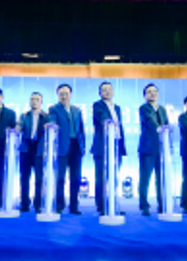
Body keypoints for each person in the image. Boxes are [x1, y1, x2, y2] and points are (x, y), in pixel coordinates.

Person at [46, 84, 86, 215]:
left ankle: (74, 206)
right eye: (61, 94)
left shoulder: (77, 110)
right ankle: (59, 205)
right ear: (58, 95)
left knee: (76, 179)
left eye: (66, 93)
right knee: (60, 178)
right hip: (61, 147)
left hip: (76, 147)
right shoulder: (53, 109)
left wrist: (83, 146)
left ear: (71, 94)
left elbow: (81, 130)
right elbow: (52, 120)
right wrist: (52, 125)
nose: (64, 96)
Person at [92, 82, 127, 216]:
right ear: (100, 93)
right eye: (104, 90)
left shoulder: (117, 107)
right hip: (102, 147)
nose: (107, 92)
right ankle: (101, 206)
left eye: (110, 89)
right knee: (101, 178)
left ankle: (113, 204)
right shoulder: (97, 105)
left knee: (114, 177)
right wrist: (107, 121)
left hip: (116, 145)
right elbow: (102, 116)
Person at [138, 83, 170, 216]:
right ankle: (144, 206)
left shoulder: (162, 109)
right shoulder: (144, 108)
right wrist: (159, 128)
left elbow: (166, 124)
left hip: (162, 148)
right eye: (149, 92)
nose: (153, 93)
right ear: (145, 95)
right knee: (145, 178)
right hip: (148, 147)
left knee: (161, 178)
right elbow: (149, 120)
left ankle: (162, 205)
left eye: (155, 91)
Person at [17, 93, 47, 213]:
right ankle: (24, 204)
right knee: (24, 177)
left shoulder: (46, 116)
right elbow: (19, 126)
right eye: (32, 99)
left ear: (41, 102)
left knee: (39, 178)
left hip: (39, 149)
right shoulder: (24, 116)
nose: (34, 101)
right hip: (25, 148)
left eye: (37, 99)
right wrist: (16, 129)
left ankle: (38, 204)